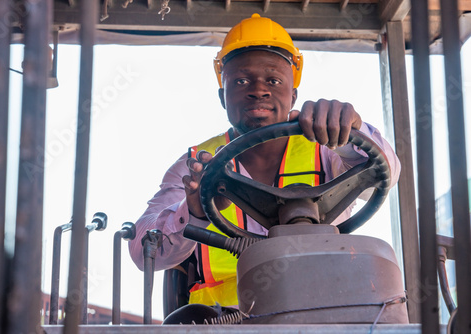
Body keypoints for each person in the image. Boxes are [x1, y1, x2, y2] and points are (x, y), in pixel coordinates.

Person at [129, 13, 400, 323]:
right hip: (223, 326)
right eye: (241, 81)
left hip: (329, 317)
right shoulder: (195, 164)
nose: (259, 90)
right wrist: (194, 210)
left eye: (273, 80)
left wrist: (353, 129)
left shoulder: (329, 148)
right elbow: (143, 250)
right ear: (223, 97)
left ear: (293, 94)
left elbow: (388, 173)